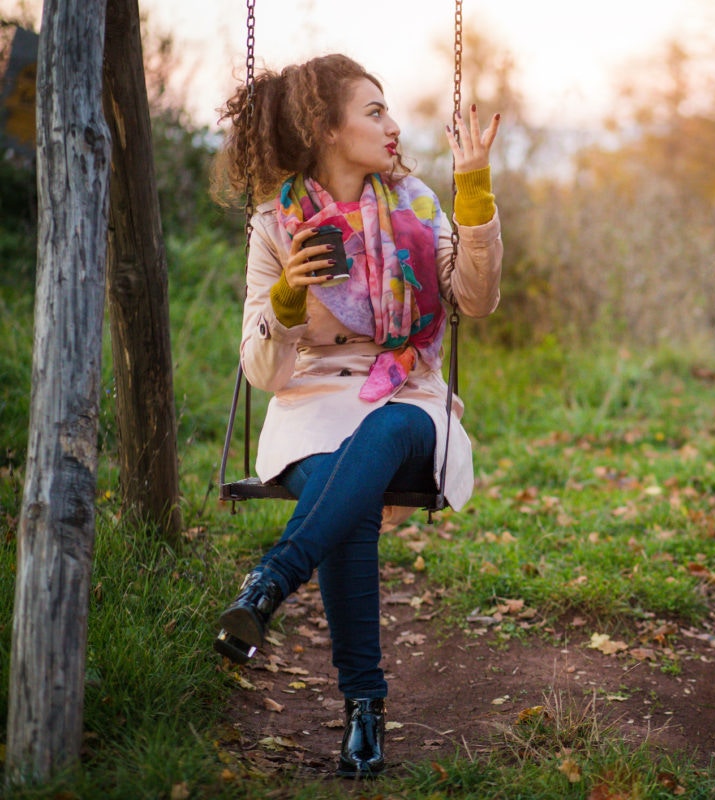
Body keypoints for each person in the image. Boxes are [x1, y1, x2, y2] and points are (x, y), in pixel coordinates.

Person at [210, 53, 503, 778]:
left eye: (388, 109)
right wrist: (284, 301)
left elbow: (476, 298)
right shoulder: (276, 224)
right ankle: (364, 712)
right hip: (312, 404)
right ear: (328, 129)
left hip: (408, 396)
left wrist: (473, 195)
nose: (393, 126)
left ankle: (269, 585)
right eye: (374, 112)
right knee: (349, 495)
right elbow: (263, 373)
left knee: (383, 436)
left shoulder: (419, 206)